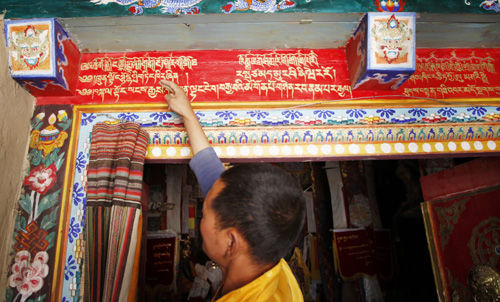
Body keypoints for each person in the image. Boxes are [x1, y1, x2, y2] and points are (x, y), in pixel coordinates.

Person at [160, 80, 306, 302]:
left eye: (205, 213)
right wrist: (188, 114)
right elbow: (214, 178)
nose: (202, 217)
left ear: (231, 242)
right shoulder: (268, 253)